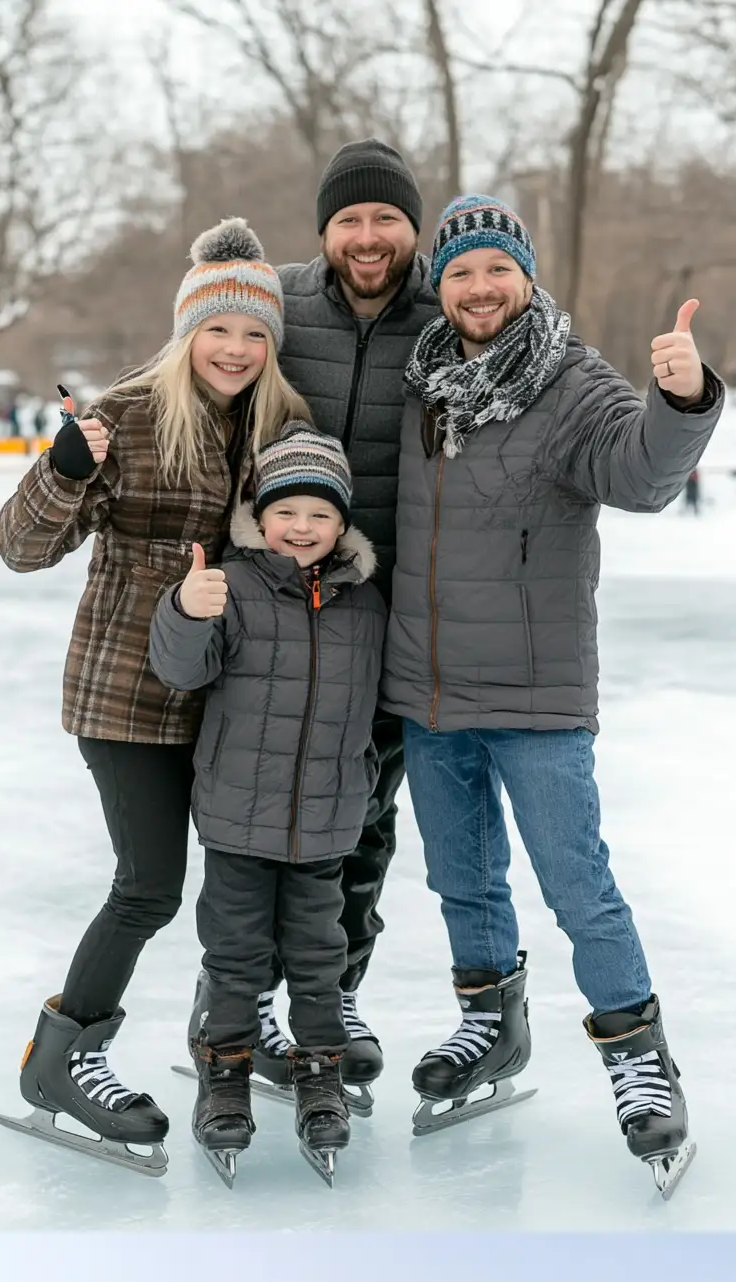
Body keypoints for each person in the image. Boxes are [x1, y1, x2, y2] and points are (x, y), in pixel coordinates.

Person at [384, 197, 721, 1188]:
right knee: (461, 879)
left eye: (495, 269)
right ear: (437, 287)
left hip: (534, 693)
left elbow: (641, 476)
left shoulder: (568, 381)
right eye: (458, 274)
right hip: (427, 687)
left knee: (576, 885)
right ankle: (488, 1025)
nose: (478, 289)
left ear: (522, 275)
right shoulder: (421, 382)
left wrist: (683, 399)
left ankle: (637, 1060)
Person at [0, 219, 308, 1172]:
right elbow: (20, 546)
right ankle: (62, 1058)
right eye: (219, 331)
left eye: (256, 334)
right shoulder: (125, 416)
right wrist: (62, 471)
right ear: (186, 332)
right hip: (127, 695)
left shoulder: (280, 422)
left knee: (250, 881)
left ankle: (234, 1033)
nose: (237, 350)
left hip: (234, 694)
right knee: (149, 887)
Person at [148, 424, 385, 1179]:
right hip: (236, 817)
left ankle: (320, 1073)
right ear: (261, 514)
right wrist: (187, 608)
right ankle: (225, 1073)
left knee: (321, 957)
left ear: (342, 523)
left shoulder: (366, 604)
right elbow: (182, 672)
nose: (303, 527)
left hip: (326, 820)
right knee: (235, 955)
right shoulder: (231, 583)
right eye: (288, 512)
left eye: (320, 514)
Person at [265, 140, 438, 1100]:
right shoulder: (279, 303)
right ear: (325, 230)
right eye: (348, 221)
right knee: (252, 812)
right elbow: (193, 360)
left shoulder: (452, 308)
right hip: (277, 606)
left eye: (385, 219)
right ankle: (238, 995)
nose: (367, 239)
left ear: (413, 225)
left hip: (391, 616)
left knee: (365, 817)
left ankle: (335, 998)